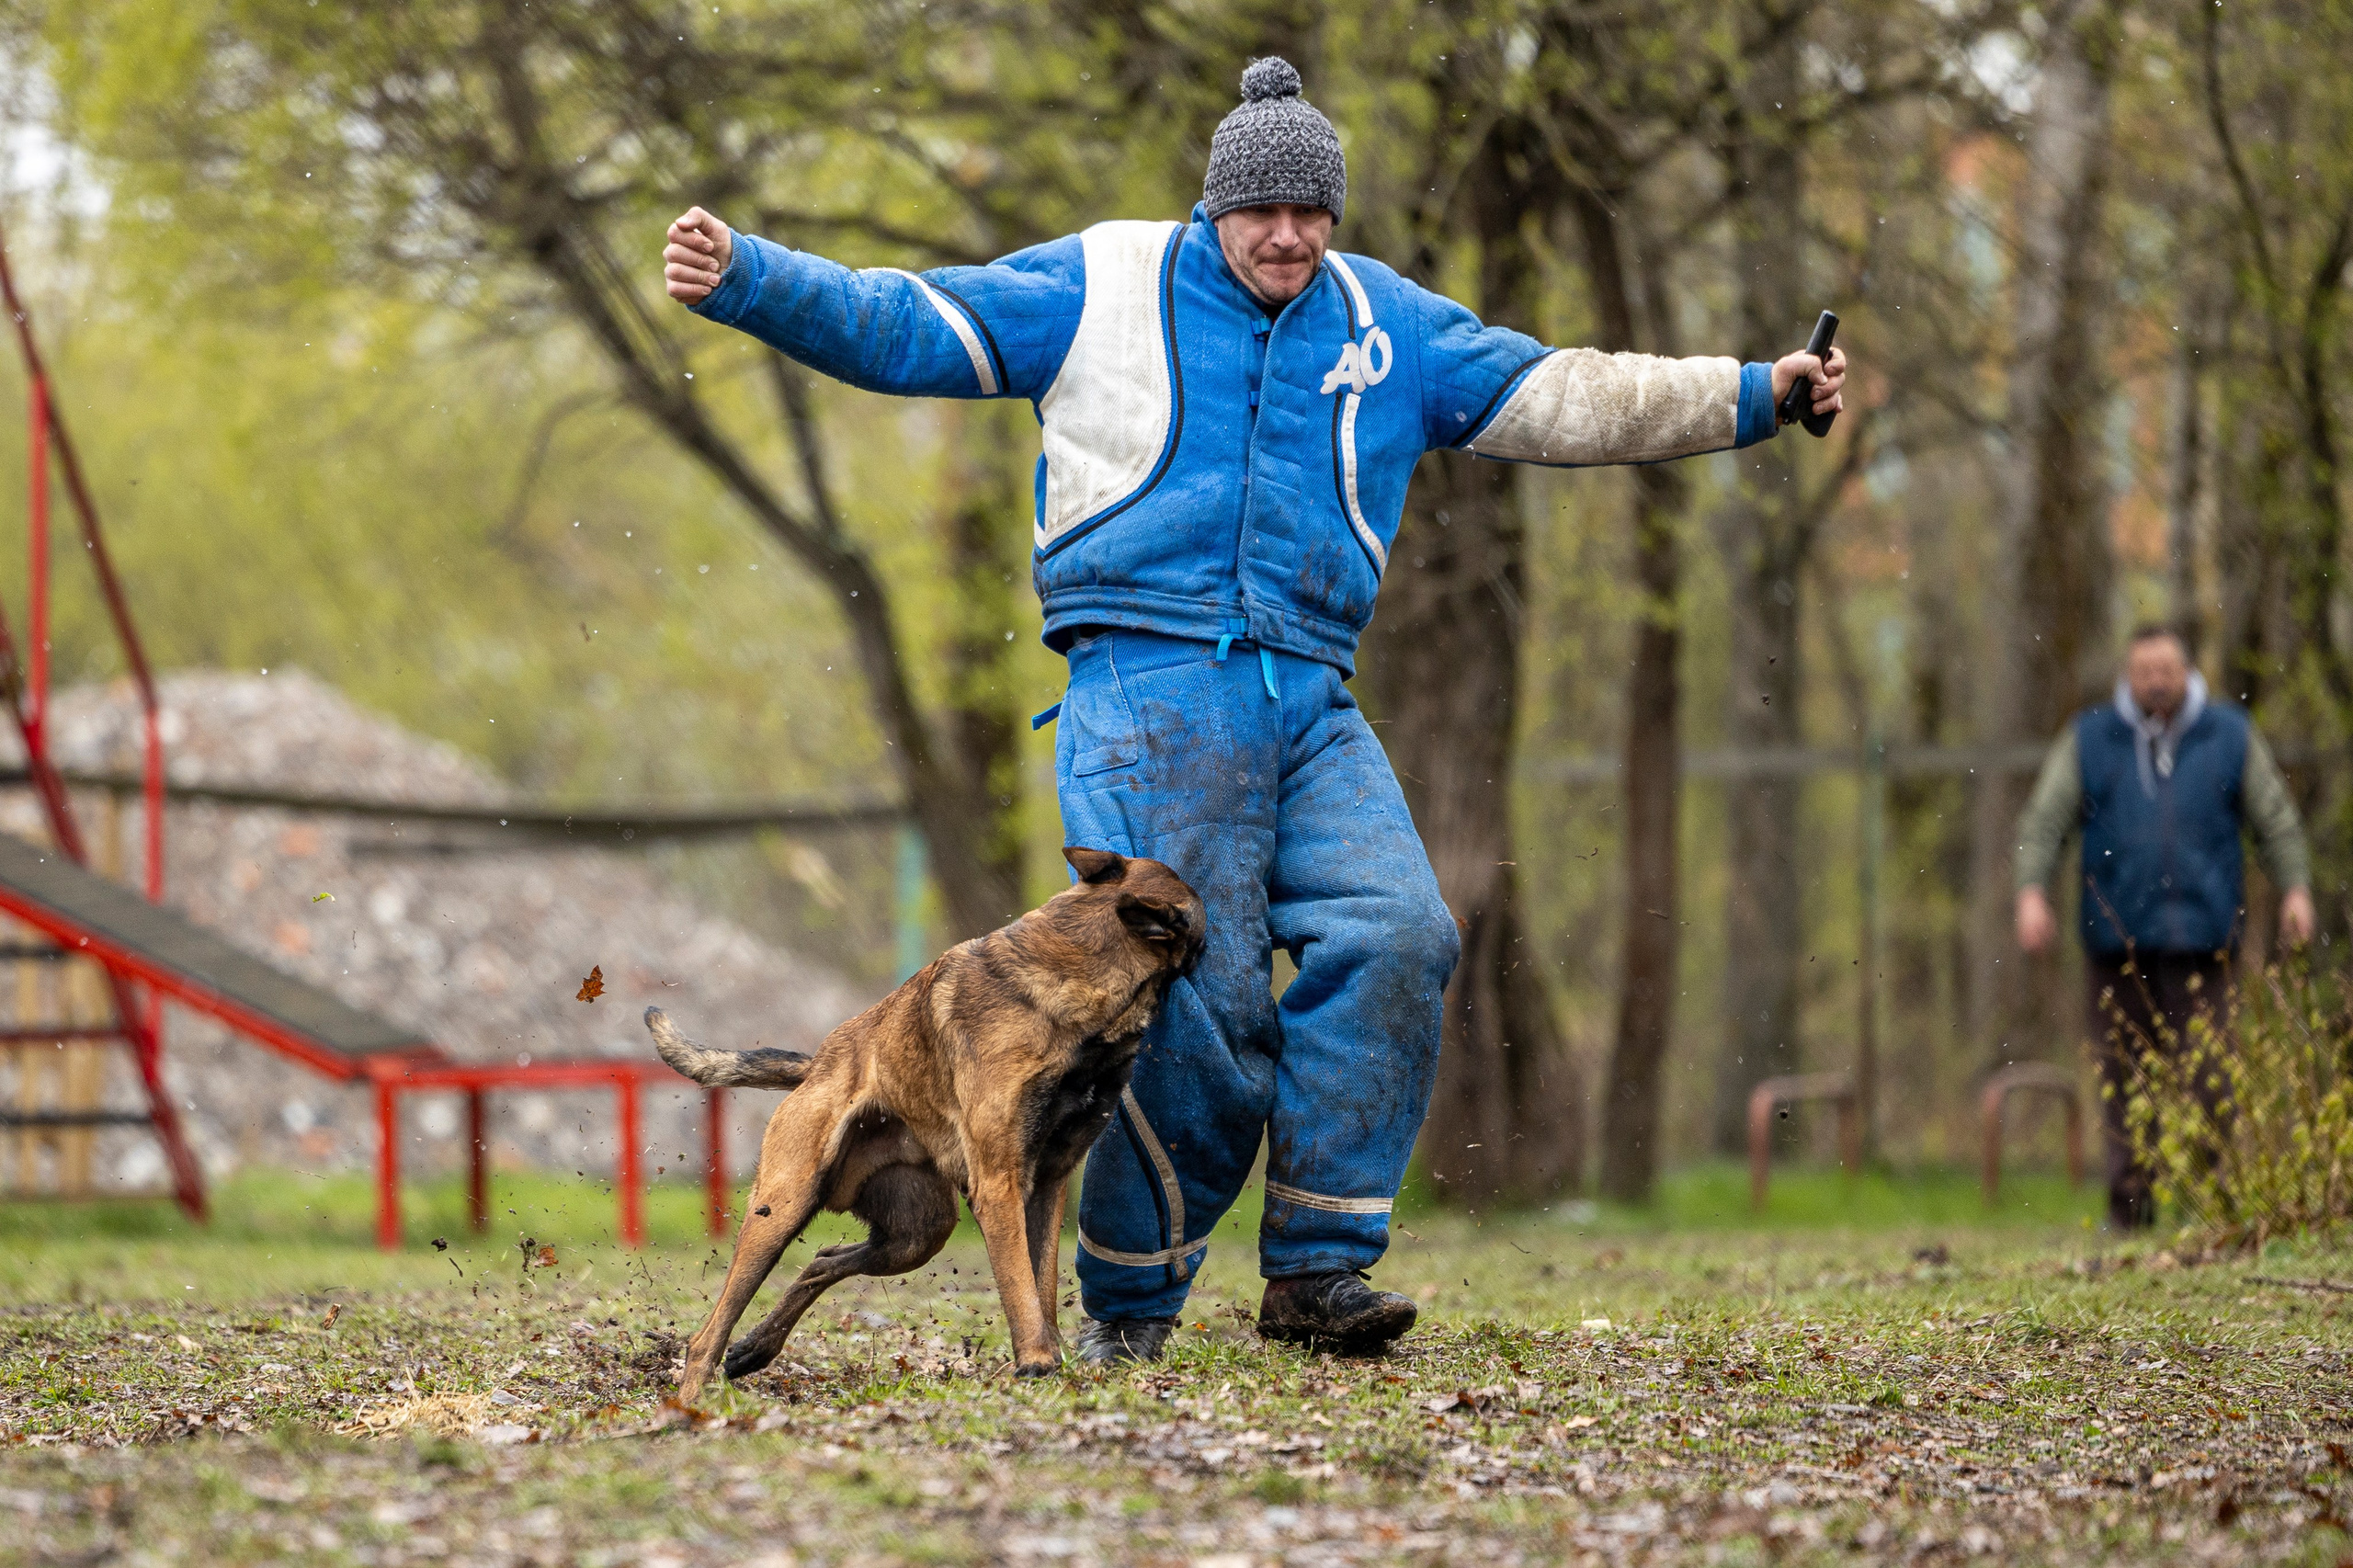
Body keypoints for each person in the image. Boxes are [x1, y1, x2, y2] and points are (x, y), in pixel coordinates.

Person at [664, 58, 1847, 1361]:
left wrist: (1757, 391)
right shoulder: (1102, 283)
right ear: (1212, 206)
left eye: (1312, 213)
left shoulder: (1385, 325)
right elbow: (911, 323)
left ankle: (1318, 1272)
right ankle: (1129, 1306)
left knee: (1399, 932)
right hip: (1145, 682)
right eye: (1261, 213)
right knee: (1185, 1006)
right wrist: (751, 278)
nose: (1288, 236)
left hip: (1311, 692)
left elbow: (1564, 391)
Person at [2013, 623, 2313, 1229]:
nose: (2156, 682)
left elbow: (2275, 818)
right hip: (2114, 937)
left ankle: (2211, 1205)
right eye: (2145, 671)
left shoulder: (2228, 735)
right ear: (2128, 675)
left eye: (2166, 671)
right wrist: (2030, 894)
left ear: (2186, 672)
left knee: (2209, 1079)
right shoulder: (2091, 738)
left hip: (2205, 937)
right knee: (2121, 1077)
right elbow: (2045, 821)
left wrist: (2296, 888)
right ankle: (2129, 1205)